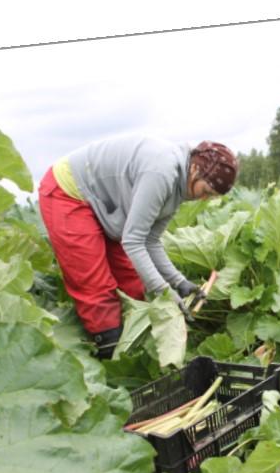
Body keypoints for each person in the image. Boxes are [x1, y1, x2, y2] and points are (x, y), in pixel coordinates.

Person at [38, 135, 239, 358]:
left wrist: (179, 283)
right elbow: (133, 241)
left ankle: (131, 352)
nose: (204, 199)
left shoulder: (181, 187)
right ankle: (109, 364)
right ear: (196, 170)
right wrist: (165, 291)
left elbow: (151, 241)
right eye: (207, 191)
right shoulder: (161, 173)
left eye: (211, 196)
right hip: (69, 192)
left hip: (103, 205)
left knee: (132, 284)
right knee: (96, 286)